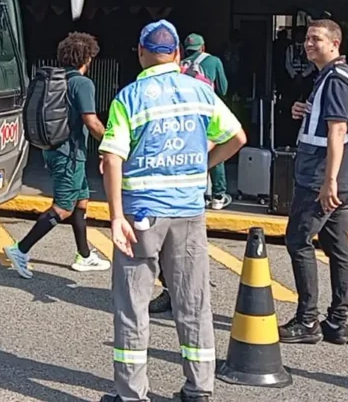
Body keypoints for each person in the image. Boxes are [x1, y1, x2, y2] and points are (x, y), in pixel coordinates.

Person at [98, 20, 247, 402]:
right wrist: (203, 166)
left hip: (142, 214)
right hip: (189, 210)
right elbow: (237, 138)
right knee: (193, 301)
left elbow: (113, 159)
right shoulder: (201, 93)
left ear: (141, 52)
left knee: (133, 305)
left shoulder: (130, 97)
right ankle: (199, 388)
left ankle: (132, 394)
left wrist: (115, 217)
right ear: (179, 53)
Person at [278, 19, 348, 346]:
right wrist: (305, 111)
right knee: (336, 246)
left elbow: (337, 130)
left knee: (298, 239)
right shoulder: (336, 76)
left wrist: (328, 182)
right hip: (346, 176)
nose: (308, 44)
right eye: (307, 38)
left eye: (316, 39)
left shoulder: (334, 80)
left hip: (322, 175)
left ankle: (308, 320)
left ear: (335, 44)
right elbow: (331, 121)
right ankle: (337, 321)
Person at [6, 32, 110, 277]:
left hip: (55, 151)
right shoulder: (82, 83)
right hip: (69, 155)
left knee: (81, 200)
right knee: (63, 207)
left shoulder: (56, 79)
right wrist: (112, 145)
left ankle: (84, 255)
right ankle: (21, 249)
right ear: (87, 57)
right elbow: (92, 122)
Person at [181, 33, 233, 211]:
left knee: (189, 151)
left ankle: (197, 194)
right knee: (216, 148)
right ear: (202, 47)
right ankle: (218, 195)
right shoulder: (214, 61)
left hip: (185, 115)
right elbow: (224, 88)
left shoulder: (180, 64)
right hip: (207, 112)